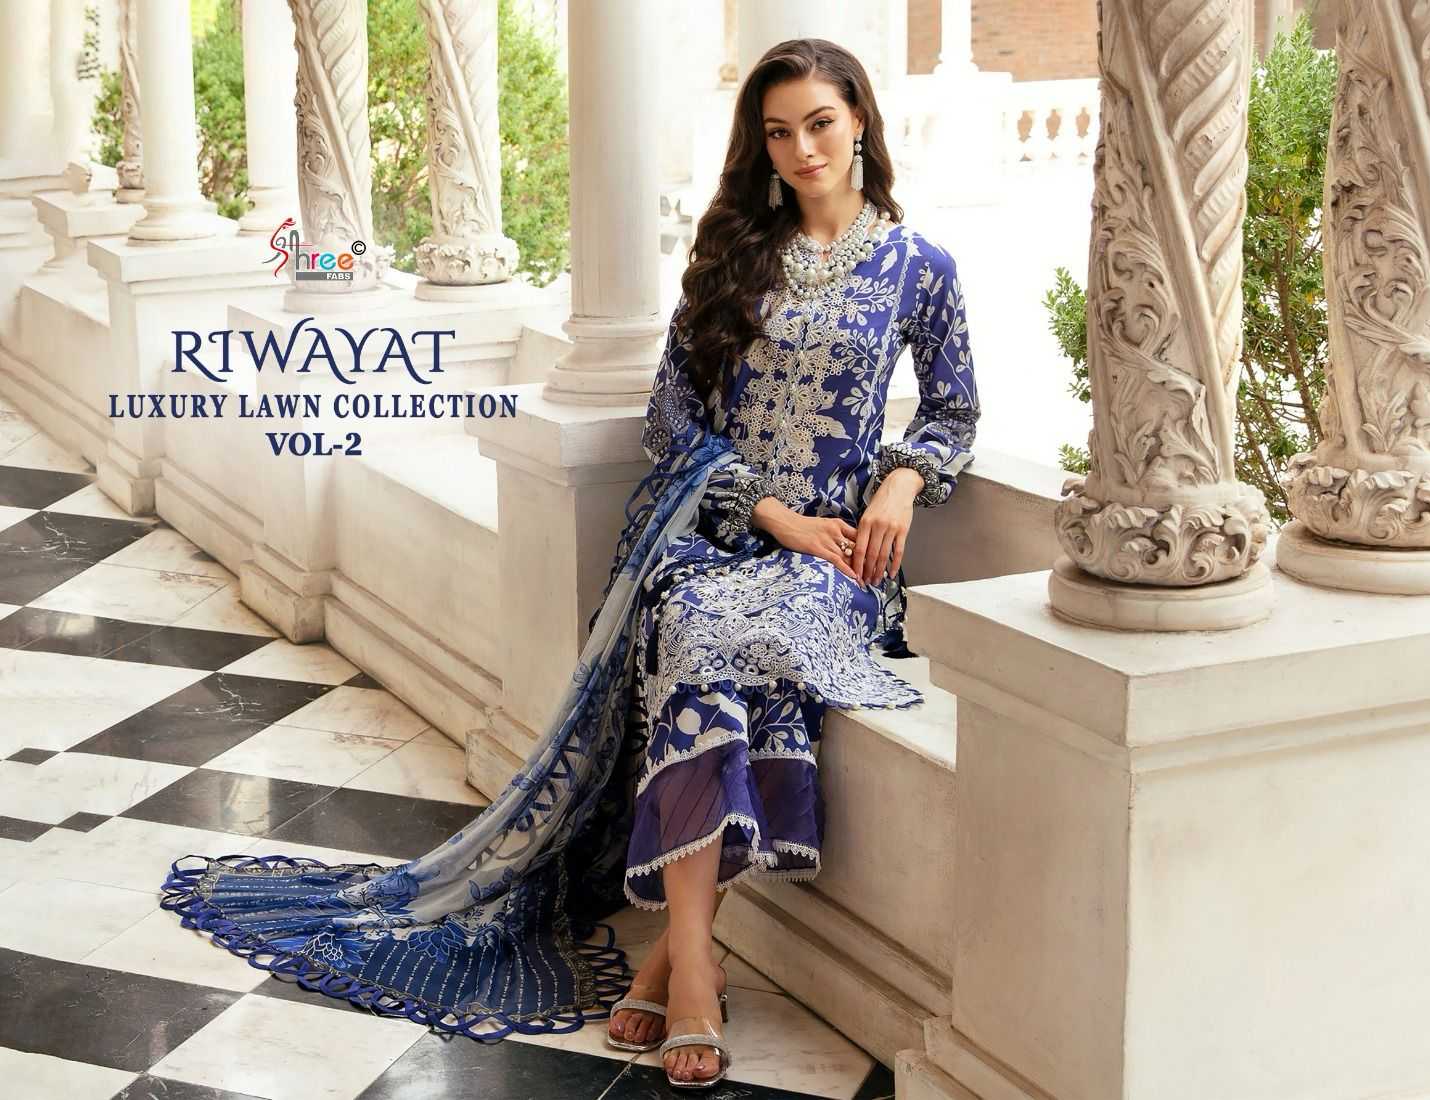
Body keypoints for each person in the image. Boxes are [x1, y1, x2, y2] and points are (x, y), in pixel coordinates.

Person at [161, 37, 977, 1093]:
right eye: (779, 132)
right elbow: (672, 415)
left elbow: (954, 407)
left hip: (837, 557)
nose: (802, 149)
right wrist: (766, 510)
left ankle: (678, 953)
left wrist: (901, 481)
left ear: (859, 118)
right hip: (718, 531)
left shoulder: (919, 268)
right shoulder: (740, 253)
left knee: (721, 645)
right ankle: (695, 962)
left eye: (820, 123)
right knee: (697, 628)